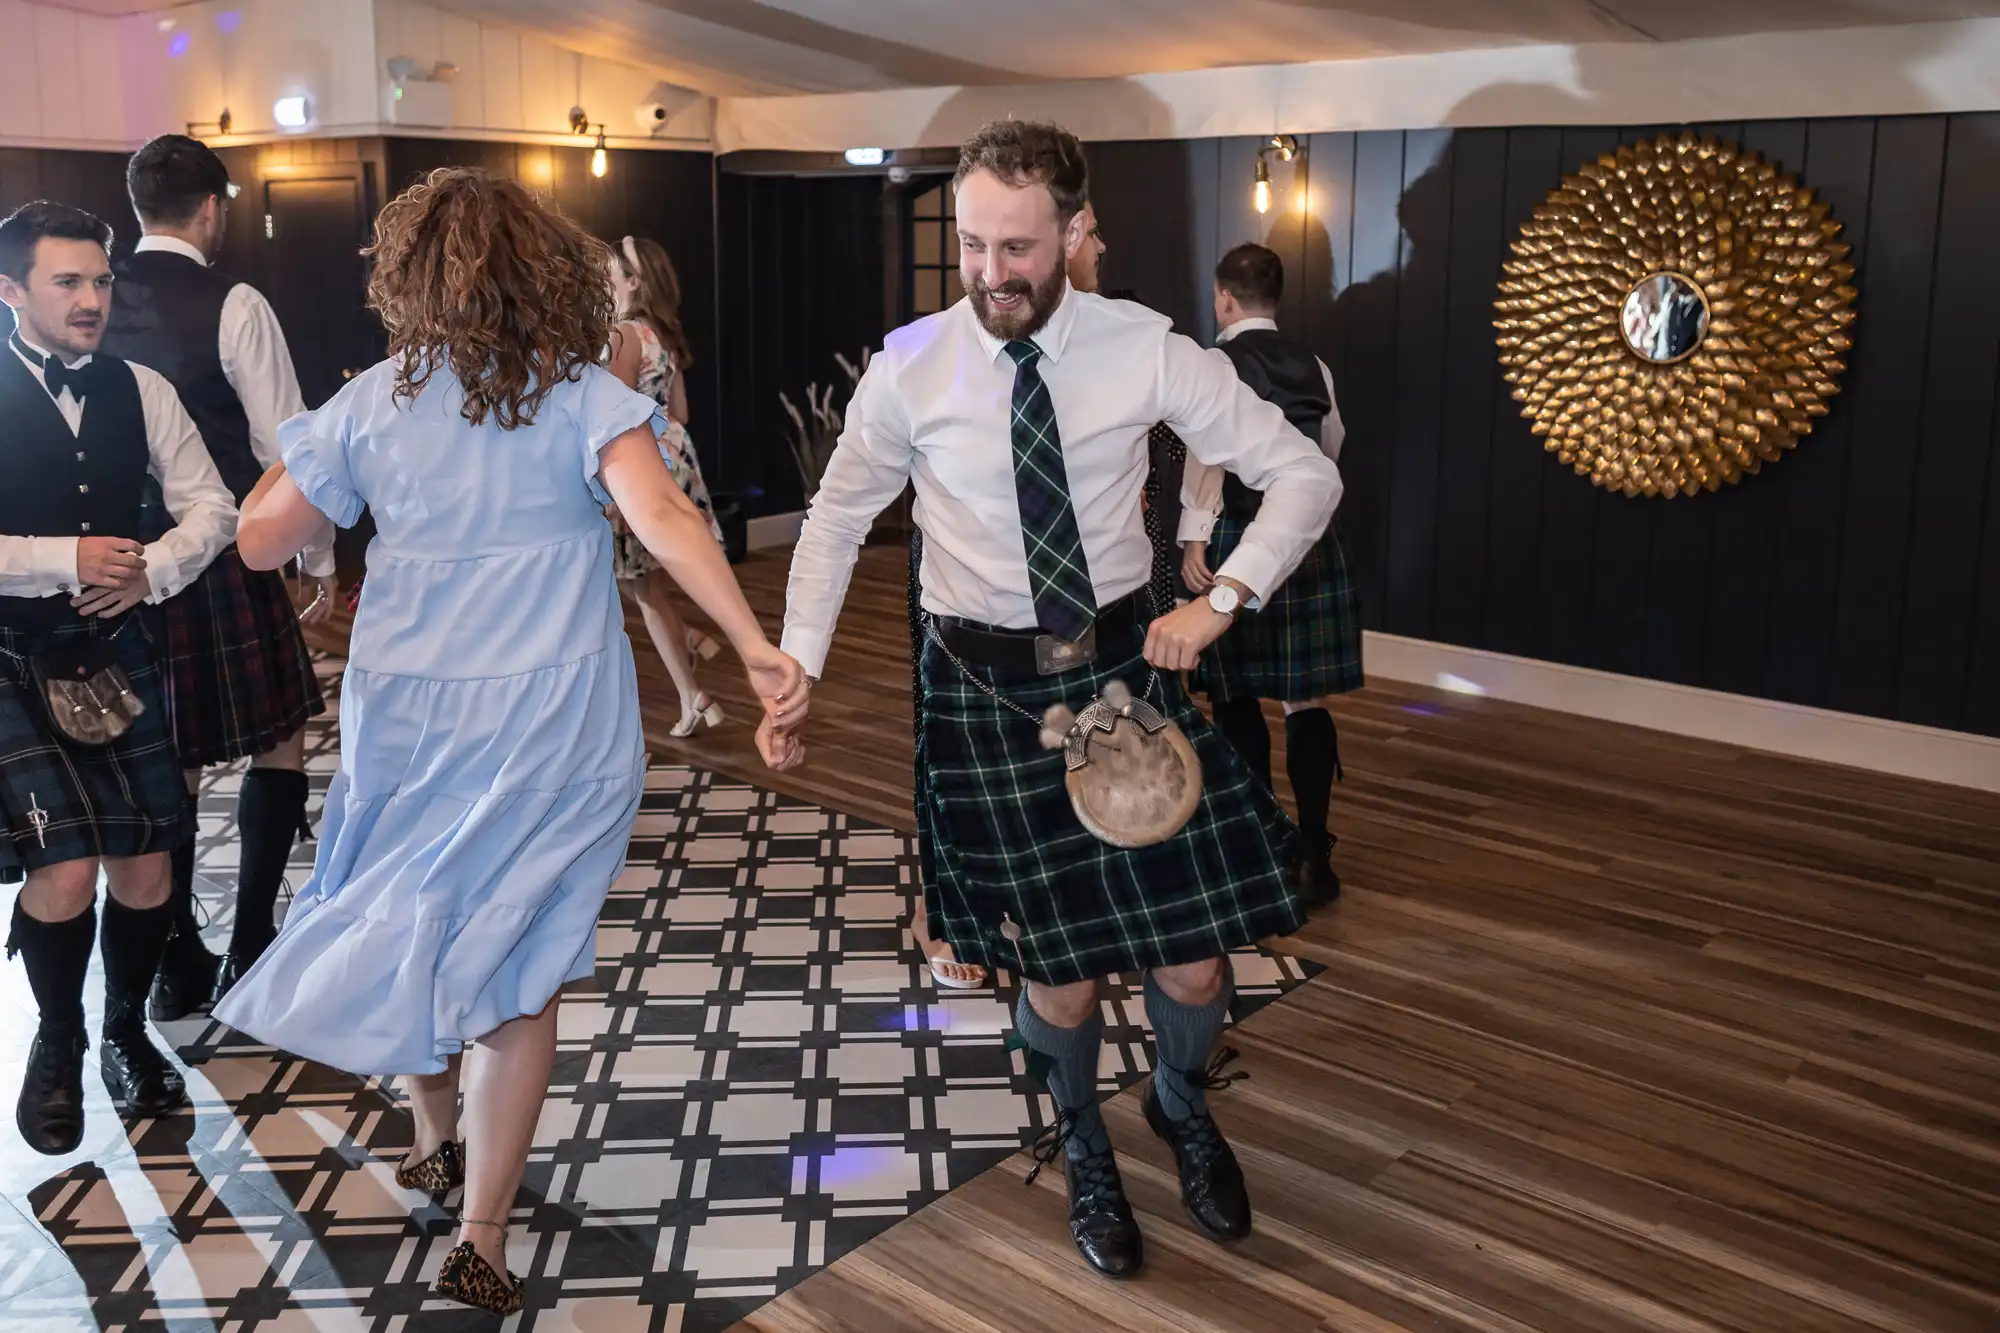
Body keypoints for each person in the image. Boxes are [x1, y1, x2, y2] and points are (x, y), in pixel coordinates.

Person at [210, 168, 806, 1315]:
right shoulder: (584, 395)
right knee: (520, 966)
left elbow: (255, 537)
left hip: (408, 717)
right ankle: (481, 1226)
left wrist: (315, 435)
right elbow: (668, 521)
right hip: (552, 725)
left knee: (417, 917)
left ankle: (436, 1135)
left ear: (406, 279)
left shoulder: (376, 400)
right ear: (548, 273)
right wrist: (751, 645)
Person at [774, 120, 1340, 1280]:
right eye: (970, 244)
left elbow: (1304, 472)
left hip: (1126, 673)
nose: (988, 273)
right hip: (981, 686)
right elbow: (834, 518)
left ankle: (1179, 1104)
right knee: (1061, 974)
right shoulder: (912, 366)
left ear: (1075, 233)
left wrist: (1223, 596)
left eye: (1016, 247)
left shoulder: (1146, 350)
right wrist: (798, 664)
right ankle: (1082, 1139)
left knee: (1192, 961)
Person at [0, 200, 236, 1154]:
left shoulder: (141, 386)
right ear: (10, 289)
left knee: (147, 863)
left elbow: (211, 506)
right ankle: (55, 1042)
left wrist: (156, 565)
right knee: (63, 869)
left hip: (117, 653)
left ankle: (123, 1029)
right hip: (9, 653)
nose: (92, 298)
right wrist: (68, 556)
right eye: (68, 282)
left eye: (100, 279)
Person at [96, 134, 338, 1018]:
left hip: (121, 567)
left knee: (174, 762)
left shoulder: (89, 298)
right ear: (211, 209)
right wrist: (316, 558)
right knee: (278, 738)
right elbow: (287, 447)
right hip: (228, 555)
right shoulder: (234, 300)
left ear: (137, 209)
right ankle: (252, 947)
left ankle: (174, 961)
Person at [1181, 243, 1362, 905]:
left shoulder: (1214, 360)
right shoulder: (1313, 363)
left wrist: (1194, 533)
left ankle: (1260, 844)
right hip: (1306, 539)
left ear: (1223, 297)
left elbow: (1207, 453)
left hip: (1237, 534)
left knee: (1235, 695)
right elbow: (1330, 445)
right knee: (1303, 699)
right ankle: (1314, 849)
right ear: (1274, 299)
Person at [604, 235, 728, 739]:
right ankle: (693, 646)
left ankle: (692, 697)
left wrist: (613, 490)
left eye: (612, 267)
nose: (603, 272)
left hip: (637, 467)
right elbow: (680, 413)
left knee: (645, 592)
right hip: (675, 458)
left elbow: (609, 416)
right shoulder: (661, 334)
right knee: (645, 587)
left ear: (631, 282)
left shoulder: (623, 334)